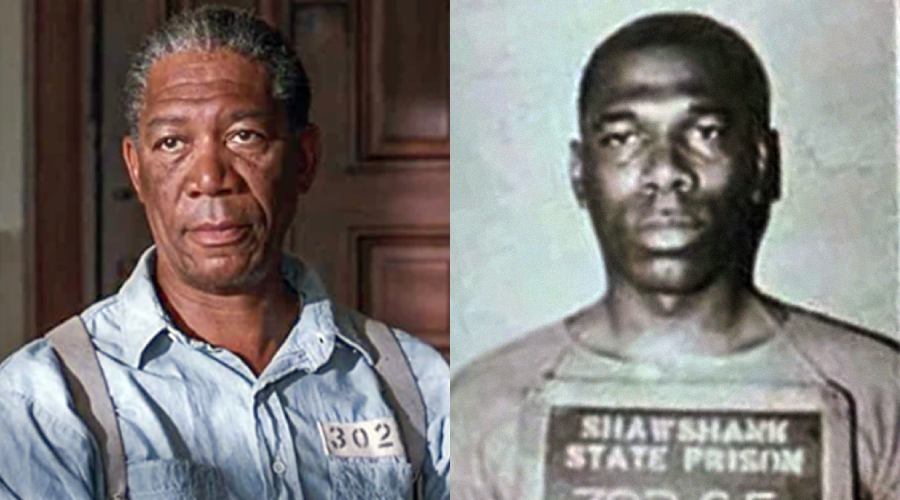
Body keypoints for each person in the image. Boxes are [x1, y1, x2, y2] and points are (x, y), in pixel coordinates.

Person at [0, 6, 448, 500]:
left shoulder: (419, 387)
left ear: (303, 160)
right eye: (172, 142)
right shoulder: (45, 400)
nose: (210, 179)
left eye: (243, 136)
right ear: (136, 169)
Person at [451, 12, 900, 500]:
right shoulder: (480, 408)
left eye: (705, 133)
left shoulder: (876, 392)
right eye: (623, 139)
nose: (665, 171)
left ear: (761, 163)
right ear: (581, 173)